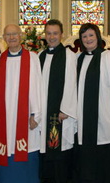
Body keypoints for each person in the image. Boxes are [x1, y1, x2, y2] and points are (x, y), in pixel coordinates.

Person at [0, 24, 42, 183]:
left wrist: (36, 114)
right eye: (8, 35)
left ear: (21, 36)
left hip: (25, 116)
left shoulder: (32, 57)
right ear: (4, 38)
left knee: (27, 148)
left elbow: (37, 86)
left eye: (14, 34)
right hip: (4, 115)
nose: (11, 37)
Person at [73, 23, 110, 183]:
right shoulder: (78, 59)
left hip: (105, 119)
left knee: (106, 167)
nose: (88, 39)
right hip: (84, 120)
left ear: (98, 37)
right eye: (84, 36)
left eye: (91, 35)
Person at [38, 19, 77, 183]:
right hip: (43, 113)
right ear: (44, 35)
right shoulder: (40, 55)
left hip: (60, 114)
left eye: (55, 33)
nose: (52, 37)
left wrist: (66, 109)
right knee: (45, 153)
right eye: (49, 33)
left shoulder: (69, 56)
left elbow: (72, 83)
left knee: (60, 154)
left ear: (62, 34)